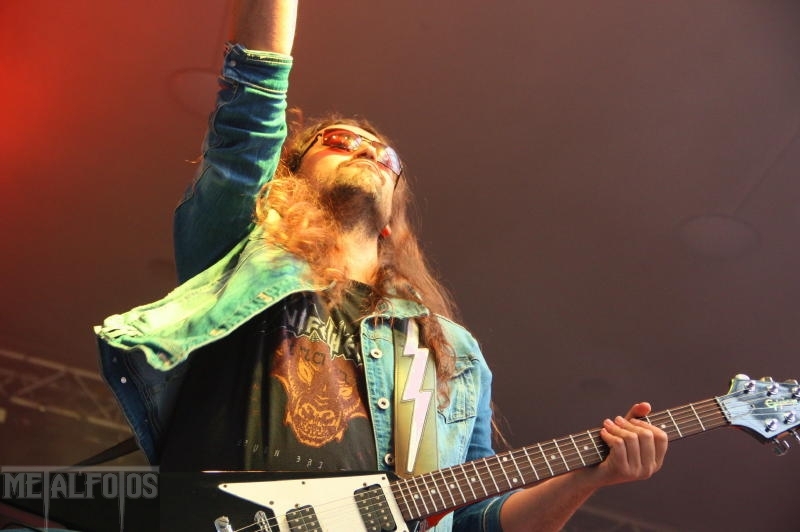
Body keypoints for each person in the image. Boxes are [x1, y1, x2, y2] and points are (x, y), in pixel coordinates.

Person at [95, 1, 668, 530]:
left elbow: (471, 521)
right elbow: (252, 107)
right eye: (339, 141)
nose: (366, 150)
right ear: (288, 178)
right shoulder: (241, 249)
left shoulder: (453, 353)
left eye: (384, 156)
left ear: (392, 218)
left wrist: (589, 478)